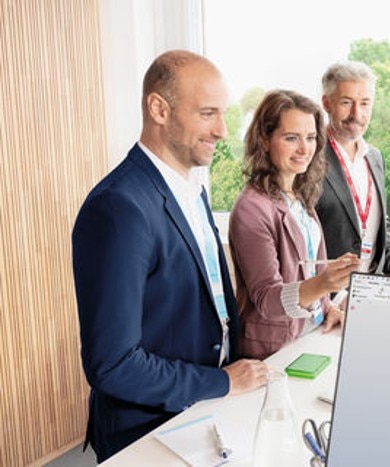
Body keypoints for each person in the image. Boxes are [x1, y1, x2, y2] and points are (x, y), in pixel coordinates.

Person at [71, 50, 268, 462]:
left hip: (201, 417)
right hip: (146, 433)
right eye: (208, 113)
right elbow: (114, 364)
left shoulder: (191, 191)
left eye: (223, 114)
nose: (222, 130)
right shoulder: (119, 207)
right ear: (159, 108)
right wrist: (221, 383)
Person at [229, 90, 360, 360]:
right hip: (274, 352)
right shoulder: (251, 209)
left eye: (311, 137)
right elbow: (267, 299)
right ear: (265, 140)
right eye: (291, 138)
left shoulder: (299, 196)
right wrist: (324, 283)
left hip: (309, 336)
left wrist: (327, 308)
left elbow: (306, 266)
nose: (304, 149)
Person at [315, 61, 390, 277]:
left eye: (365, 103)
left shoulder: (374, 157)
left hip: (371, 292)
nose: (357, 114)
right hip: (330, 298)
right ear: (327, 103)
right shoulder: (310, 158)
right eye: (347, 102)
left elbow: (382, 228)